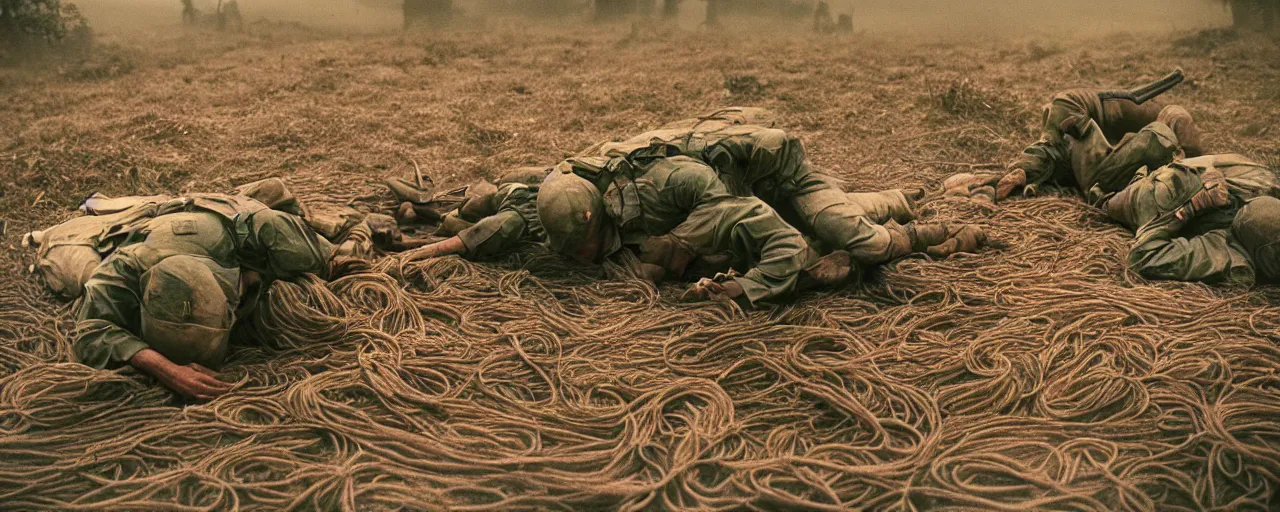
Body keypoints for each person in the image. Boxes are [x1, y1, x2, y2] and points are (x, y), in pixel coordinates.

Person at [585, 107, 986, 267]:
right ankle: (898, 198)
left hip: (791, 184)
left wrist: (678, 241)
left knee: (854, 237)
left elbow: (732, 202)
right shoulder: (638, 172)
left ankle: (912, 231)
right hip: (756, 197)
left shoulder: (701, 168)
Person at [72, 198, 336, 400]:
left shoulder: (261, 235)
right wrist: (165, 369)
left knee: (281, 198)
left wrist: (335, 262)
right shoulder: (122, 270)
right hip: (153, 227)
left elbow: (326, 257)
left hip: (218, 211)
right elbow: (89, 331)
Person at [956, 70, 1206, 205]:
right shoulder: (1169, 121)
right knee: (1093, 177)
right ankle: (1015, 175)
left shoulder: (1147, 116)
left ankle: (1016, 174)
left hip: (1069, 110)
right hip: (1075, 112)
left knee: (1053, 153)